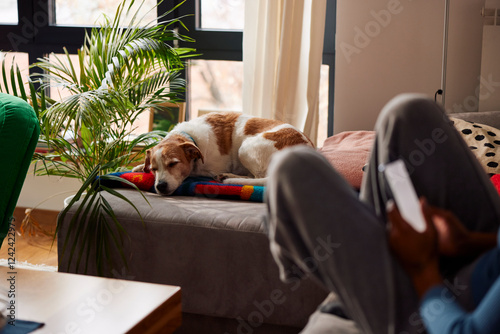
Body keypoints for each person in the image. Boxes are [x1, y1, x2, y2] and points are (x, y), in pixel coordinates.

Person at [264, 94, 500, 334]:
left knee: (292, 169)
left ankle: (317, 272)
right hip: (483, 260)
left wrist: (422, 268)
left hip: (446, 314)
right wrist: (467, 242)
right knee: (408, 112)